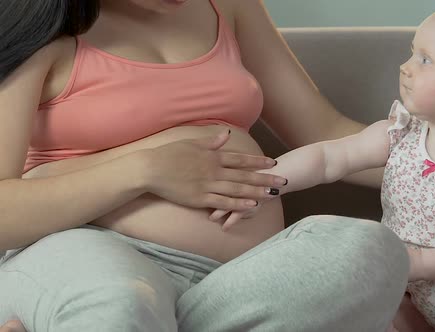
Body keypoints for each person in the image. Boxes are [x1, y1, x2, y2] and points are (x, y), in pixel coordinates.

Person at [0, 0, 410, 331]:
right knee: (120, 304)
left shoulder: (230, 6)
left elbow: (325, 130)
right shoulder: (36, 29)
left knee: (369, 251)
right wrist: (143, 170)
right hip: (86, 250)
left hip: (238, 278)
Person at [212, 2, 435, 331]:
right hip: (407, 285)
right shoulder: (398, 134)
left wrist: (421, 263)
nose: (405, 66)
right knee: (366, 298)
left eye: (425, 60)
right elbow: (330, 158)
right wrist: (268, 180)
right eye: (411, 52)